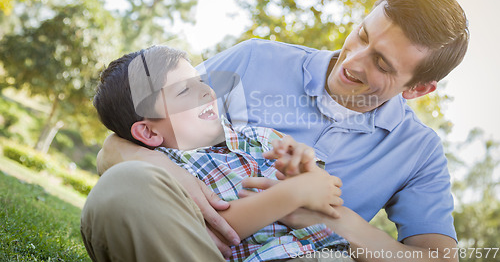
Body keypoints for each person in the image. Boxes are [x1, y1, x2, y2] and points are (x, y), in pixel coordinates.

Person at [87, 0, 469, 261]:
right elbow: (130, 132)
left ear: (418, 89)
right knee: (124, 187)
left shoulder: (419, 152)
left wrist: (334, 220)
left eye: (381, 63)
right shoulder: (255, 59)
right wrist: (169, 173)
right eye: (362, 35)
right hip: (194, 246)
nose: (353, 60)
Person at [82, 46, 351, 261]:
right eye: (185, 90)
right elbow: (218, 230)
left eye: (200, 81)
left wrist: (304, 167)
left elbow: (325, 189)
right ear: (150, 133)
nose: (207, 92)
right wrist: (295, 193)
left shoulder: (259, 137)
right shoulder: (168, 173)